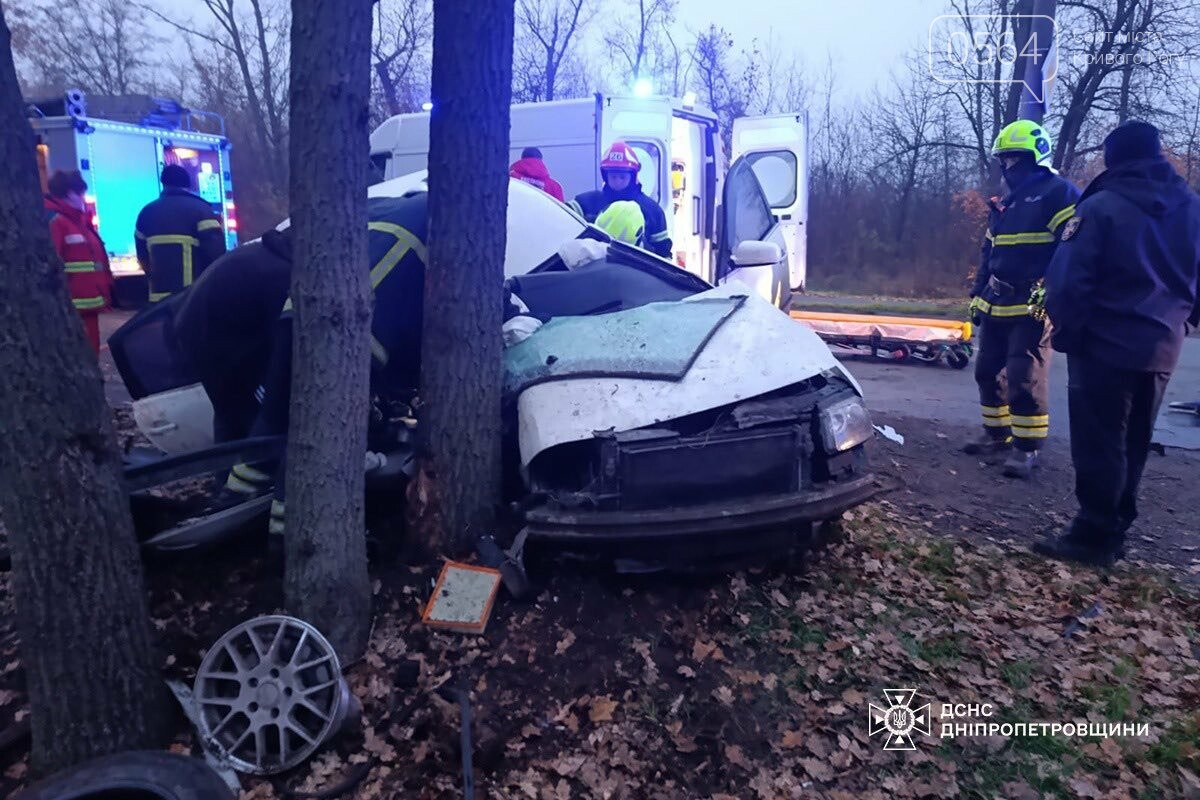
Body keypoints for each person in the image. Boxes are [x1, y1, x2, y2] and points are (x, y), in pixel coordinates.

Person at [1037, 121, 1200, 567]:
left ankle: (1093, 536)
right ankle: (1115, 527)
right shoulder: (1192, 208)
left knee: (1099, 443)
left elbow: (1068, 282)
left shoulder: (1100, 207)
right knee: (1134, 441)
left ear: (1114, 158)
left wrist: (1070, 333)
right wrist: (1182, 323)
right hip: (1162, 345)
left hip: (1103, 344)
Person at [964, 119, 1081, 479]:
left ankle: (1026, 447)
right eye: (1005, 158)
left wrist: (1052, 290)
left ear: (1035, 157)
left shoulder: (1058, 193)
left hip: (1033, 304)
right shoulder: (1005, 201)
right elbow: (990, 251)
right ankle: (995, 434)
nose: (1009, 164)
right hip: (997, 300)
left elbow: (1070, 248)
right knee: (986, 371)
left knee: (1024, 376)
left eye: (1015, 157)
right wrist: (978, 293)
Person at [173, 228, 294, 443]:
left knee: (230, 414)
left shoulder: (261, 255)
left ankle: (231, 457)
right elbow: (286, 349)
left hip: (197, 332)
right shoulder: (281, 275)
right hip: (219, 343)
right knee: (257, 416)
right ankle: (251, 458)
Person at [135, 164, 226, 302]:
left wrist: (152, 275)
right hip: (191, 297)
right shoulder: (202, 211)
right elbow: (215, 254)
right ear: (187, 184)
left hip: (158, 298)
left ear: (163, 183)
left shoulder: (146, 212)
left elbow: (142, 256)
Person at [44, 170, 111, 354]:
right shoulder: (57, 222)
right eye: (80, 193)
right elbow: (51, 264)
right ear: (68, 194)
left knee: (90, 352)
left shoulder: (77, 221)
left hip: (86, 305)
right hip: (74, 307)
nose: (83, 198)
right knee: (83, 354)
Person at [571, 141, 672, 259]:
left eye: (622, 177)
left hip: (635, 268)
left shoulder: (653, 211)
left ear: (633, 176)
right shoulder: (587, 202)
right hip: (593, 269)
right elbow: (560, 218)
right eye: (613, 176)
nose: (617, 181)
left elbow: (663, 253)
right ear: (605, 176)